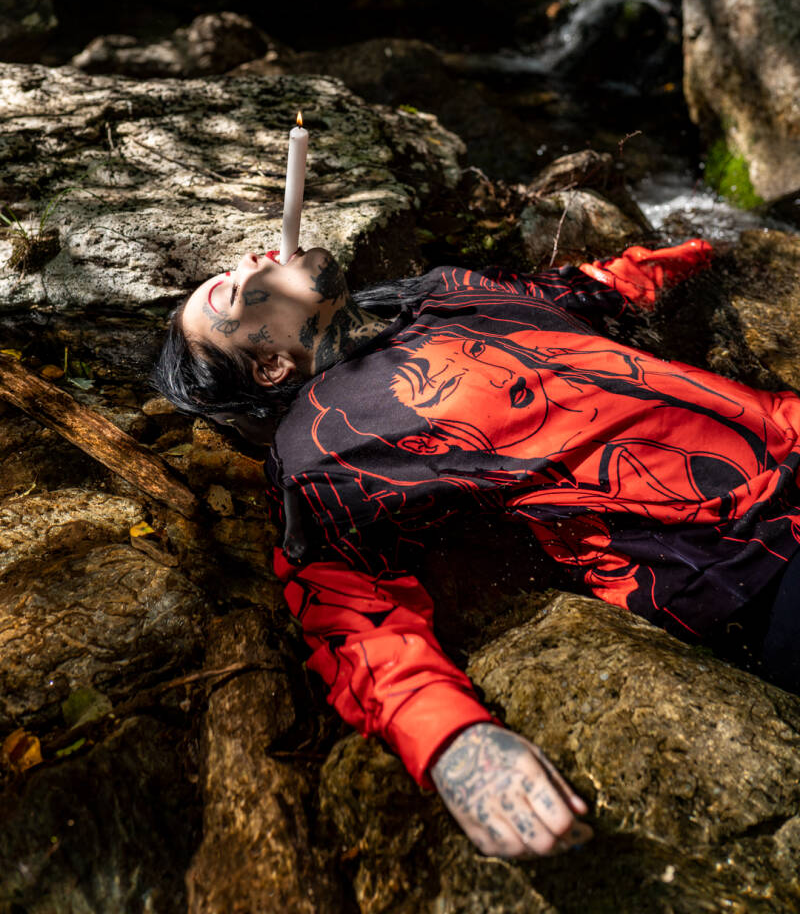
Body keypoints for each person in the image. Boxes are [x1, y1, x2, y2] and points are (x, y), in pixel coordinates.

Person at [152, 240, 800, 859]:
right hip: (751, 561)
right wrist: (455, 743)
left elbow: (586, 290)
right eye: (229, 292)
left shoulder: (439, 289)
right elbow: (348, 613)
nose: (248, 259)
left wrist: (706, 254)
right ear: (271, 366)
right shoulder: (320, 450)